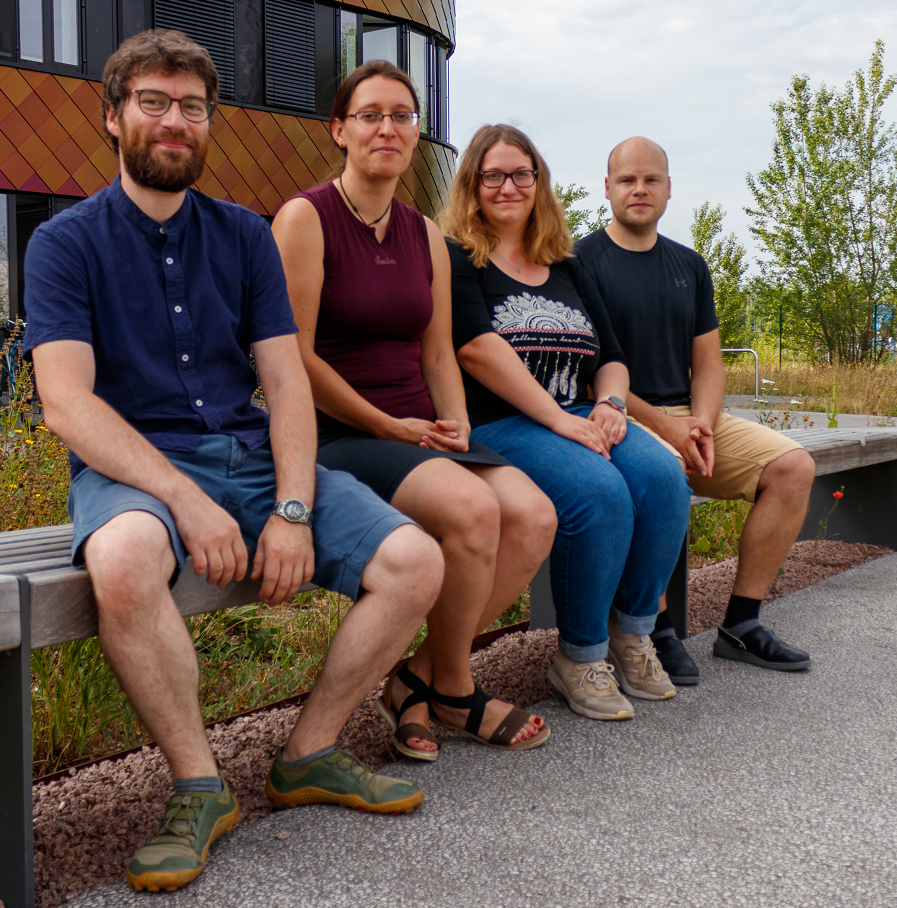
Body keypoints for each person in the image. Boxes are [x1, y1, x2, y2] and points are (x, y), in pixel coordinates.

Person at [23, 30, 445, 893]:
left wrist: (291, 508)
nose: (174, 121)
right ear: (113, 117)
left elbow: (286, 383)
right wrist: (184, 499)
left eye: (192, 106)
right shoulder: (65, 243)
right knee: (123, 557)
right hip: (137, 469)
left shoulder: (246, 237)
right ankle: (198, 785)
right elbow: (66, 402)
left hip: (250, 459)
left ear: (210, 121)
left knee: (415, 560)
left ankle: (309, 752)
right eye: (153, 102)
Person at [272, 62, 556, 757]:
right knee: (474, 510)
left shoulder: (424, 233)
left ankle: (413, 680)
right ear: (339, 130)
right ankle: (456, 688)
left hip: (417, 429)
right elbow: (292, 358)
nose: (388, 129)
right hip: (340, 431)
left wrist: (456, 422)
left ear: (416, 132)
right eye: (370, 115)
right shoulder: (305, 218)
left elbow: (437, 353)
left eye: (402, 115)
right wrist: (384, 424)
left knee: (532, 515)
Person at [443, 124, 691, 721]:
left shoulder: (567, 265)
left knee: (664, 476)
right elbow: (475, 348)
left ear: (539, 183)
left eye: (521, 174)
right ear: (472, 183)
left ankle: (633, 634)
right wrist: (559, 419)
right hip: (497, 423)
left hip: (577, 415)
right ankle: (580, 655)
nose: (508, 186)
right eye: (493, 175)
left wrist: (611, 406)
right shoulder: (457, 257)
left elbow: (611, 357)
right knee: (598, 491)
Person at [576, 136, 817, 682]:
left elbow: (708, 362)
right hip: (617, 415)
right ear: (607, 188)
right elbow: (592, 373)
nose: (640, 189)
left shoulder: (689, 264)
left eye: (651, 180)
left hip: (690, 417)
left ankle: (742, 624)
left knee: (793, 467)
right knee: (661, 474)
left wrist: (702, 424)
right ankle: (654, 629)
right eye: (627, 179)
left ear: (669, 189)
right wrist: (668, 427)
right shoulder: (580, 264)